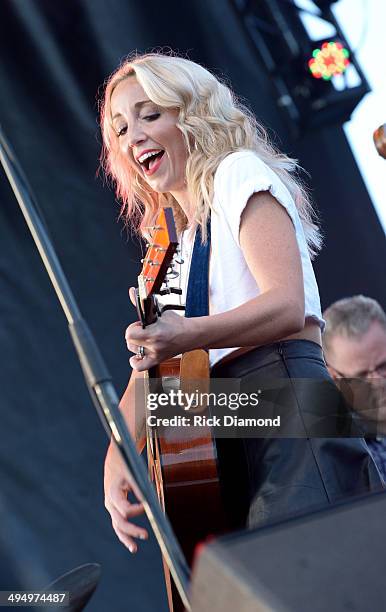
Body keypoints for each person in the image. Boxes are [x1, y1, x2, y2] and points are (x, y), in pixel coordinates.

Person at [100, 52, 383, 555]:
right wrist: (117, 452)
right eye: (120, 128)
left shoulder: (237, 172)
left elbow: (286, 306)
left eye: (150, 114)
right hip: (231, 418)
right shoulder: (177, 243)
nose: (133, 136)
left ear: (191, 113)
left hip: (288, 402)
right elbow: (155, 371)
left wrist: (184, 334)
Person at [323, 295, 386, 480]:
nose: (378, 381)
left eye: (383, 365)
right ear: (335, 379)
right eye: (362, 376)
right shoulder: (343, 456)